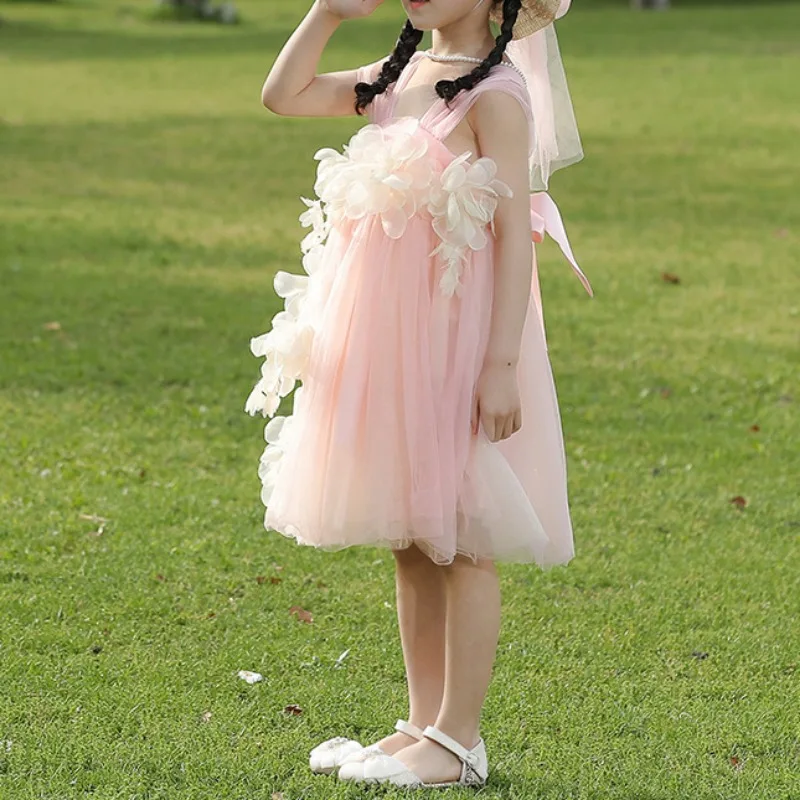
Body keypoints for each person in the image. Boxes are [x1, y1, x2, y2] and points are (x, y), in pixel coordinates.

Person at [245, 0, 593, 789]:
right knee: (412, 532)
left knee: (464, 533)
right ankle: (421, 723)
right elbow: (284, 94)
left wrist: (500, 363)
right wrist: (327, 14)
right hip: (393, 342)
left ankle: (461, 739)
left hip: (458, 342)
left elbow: (512, 244)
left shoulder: (495, 96)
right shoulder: (397, 75)